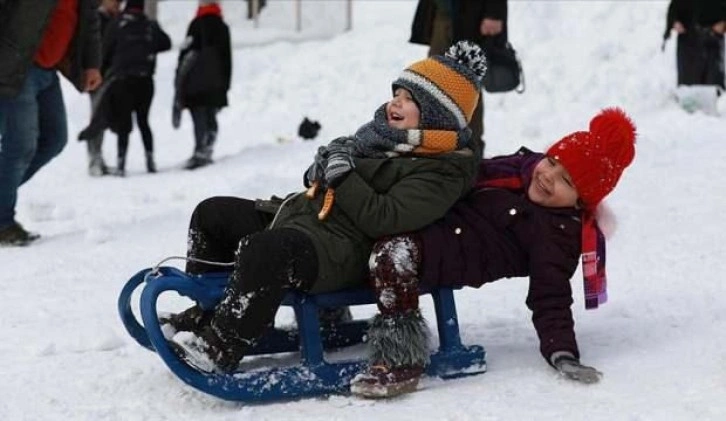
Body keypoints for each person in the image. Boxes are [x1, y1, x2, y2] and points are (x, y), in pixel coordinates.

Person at [164, 41, 487, 373]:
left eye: (409, 99)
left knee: (265, 250)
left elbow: (386, 219)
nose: (395, 103)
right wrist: (321, 169)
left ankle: (220, 346)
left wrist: (342, 175)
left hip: (341, 251)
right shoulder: (380, 137)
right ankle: (210, 311)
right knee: (213, 214)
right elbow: (331, 175)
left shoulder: (442, 171)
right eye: (397, 93)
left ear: (436, 115)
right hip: (308, 220)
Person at [349, 108, 637, 398]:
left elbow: (551, 296)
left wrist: (562, 351)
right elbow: (469, 173)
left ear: (581, 199)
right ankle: (329, 316)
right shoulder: (518, 169)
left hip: (450, 254)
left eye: (566, 181)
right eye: (551, 162)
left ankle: (402, 360)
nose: (548, 176)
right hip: (435, 217)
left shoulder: (557, 235)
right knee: (356, 224)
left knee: (392, 255)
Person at [0, 0, 102, 246]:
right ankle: (2, 223)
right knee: (20, 146)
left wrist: (91, 64)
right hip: (16, 68)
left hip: (47, 69)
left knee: (54, 139)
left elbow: (89, 20)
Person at [410, 0, 508, 152]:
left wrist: (494, 11)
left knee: (466, 83)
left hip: (471, 17)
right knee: (435, 80)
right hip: (442, 14)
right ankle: (439, 146)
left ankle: (471, 149)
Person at [102, 0, 171, 176]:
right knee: (143, 121)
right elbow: (166, 43)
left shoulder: (117, 24)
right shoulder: (149, 25)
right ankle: (150, 160)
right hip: (145, 81)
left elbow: (105, 50)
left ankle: (121, 163)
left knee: (124, 124)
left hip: (123, 81)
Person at [173, 0, 232, 170]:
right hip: (216, 82)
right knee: (210, 117)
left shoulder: (196, 25)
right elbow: (227, 59)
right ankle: (208, 148)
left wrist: (180, 81)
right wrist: (226, 85)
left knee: (198, 118)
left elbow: (185, 53)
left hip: (195, 83)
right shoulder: (222, 26)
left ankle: (200, 151)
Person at [85, 0, 121, 177]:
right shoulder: (97, 19)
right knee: (97, 120)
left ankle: (98, 159)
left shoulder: (118, 20)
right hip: (99, 77)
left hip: (114, 77)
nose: (118, 5)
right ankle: (94, 160)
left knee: (104, 119)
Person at [664, 0, 726, 92]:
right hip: (688, 38)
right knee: (688, 87)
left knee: (713, 86)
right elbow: (674, 7)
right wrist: (675, 21)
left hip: (713, 37)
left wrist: (723, 23)